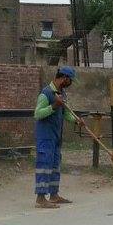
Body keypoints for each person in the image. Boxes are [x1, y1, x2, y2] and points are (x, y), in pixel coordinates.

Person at [33, 66, 78, 208]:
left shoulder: (62, 94)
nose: (70, 83)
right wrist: (53, 106)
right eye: (70, 80)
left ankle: (53, 195)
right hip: (45, 137)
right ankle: (41, 198)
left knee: (55, 166)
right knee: (44, 165)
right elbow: (38, 114)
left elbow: (66, 114)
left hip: (56, 136)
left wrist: (77, 120)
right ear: (64, 78)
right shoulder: (46, 93)